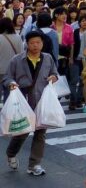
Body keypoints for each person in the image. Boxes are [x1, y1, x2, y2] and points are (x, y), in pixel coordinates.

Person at [3, 31, 58, 175]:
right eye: (32, 43)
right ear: (27, 44)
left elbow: (55, 73)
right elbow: (7, 77)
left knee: (40, 133)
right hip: (23, 102)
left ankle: (34, 165)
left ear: (42, 43)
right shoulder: (17, 60)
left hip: (42, 102)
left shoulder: (48, 58)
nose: (35, 45)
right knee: (22, 132)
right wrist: (12, 84)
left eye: (38, 42)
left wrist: (53, 77)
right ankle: (11, 153)